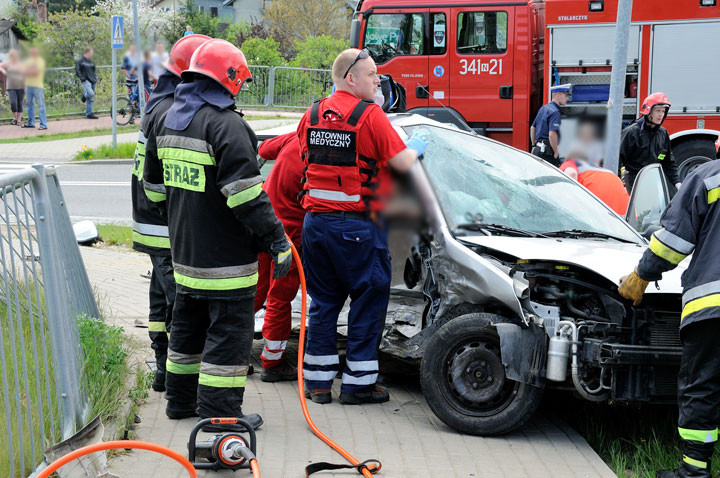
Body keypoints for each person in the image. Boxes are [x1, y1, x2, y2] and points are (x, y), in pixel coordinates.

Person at [143, 39, 290, 431]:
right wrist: (277, 241)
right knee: (227, 337)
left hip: (185, 257)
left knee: (187, 331)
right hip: (227, 263)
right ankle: (220, 413)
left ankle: (179, 402)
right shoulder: (228, 125)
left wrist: (184, 218)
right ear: (229, 78)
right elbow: (247, 198)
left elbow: (154, 189)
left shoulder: (166, 117)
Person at [298, 48, 428, 405]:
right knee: (368, 302)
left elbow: (304, 159)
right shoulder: (369, 115)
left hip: (316, 226)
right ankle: (358, 385)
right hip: (356, 228)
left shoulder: (310, 114)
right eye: (372, 75)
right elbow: (401, 164)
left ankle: (318, 384)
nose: (377, 80)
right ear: (351, 78)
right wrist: (416, 149)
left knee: (323, 303)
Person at [618, 160, 720, 478]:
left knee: (703, 387)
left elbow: (671, 243)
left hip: (712, 308)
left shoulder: (708, 177)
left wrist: (641, 276)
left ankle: (694, 472)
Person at [131, 34, 210, 394]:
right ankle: (182, 382)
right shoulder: (170, 111)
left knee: (161, 301)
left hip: (153, 225)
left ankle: (163, 372)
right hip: (165, 227)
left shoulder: (158, 104)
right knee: (181, 304)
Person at [253, 132, 304, 382]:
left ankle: (232, 351)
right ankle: (272, 363)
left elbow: (263, 151)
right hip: (288, 236)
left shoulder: (295, 137)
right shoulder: (322, 152)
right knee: (279, 297)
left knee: (255, 291)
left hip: (261, 223)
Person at [619, 92, 680, 193]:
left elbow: (669, 162)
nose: (661, 114)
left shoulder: (663, 133)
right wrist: (617, 184)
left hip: (654, 179)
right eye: (657, 111)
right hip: (635, 181)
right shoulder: (632, 132)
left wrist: (677, 183)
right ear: (648, 111)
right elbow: (617, 158)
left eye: (663, 111)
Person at [559, 151, 629, 215]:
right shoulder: (610, 174)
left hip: (596, 218)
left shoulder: (571, 163)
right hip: (624, 221)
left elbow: (571, 173)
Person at [530, 83, 571, 167]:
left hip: (538, 150)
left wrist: (533, 145)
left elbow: (532, 127)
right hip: (548, 152)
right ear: (559, 95)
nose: (567, 98)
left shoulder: (543, 108)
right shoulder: (555, 112)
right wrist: (556, 152)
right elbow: (552, 134)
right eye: (566, 96)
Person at [23, 47, 47, 130]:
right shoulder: (28, 61)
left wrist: (29, 71)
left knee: (40, 105)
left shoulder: (40, 61)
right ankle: (30, 123)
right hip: (28, 85)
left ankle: (43, 124)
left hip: (37, 86)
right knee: (29, 105)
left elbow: (36, 72)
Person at [0, 49, 25, 126]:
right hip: (11, 86)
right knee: (13, 103)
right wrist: (3, 71)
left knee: (20, 103)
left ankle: (19, 119)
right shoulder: (8, 63)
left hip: (21, 85)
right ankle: (15, 117)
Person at [75, 47, 98, 119]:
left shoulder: (91, 62)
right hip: (86, 80)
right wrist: (82, 78)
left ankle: (89, 113)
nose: (92, 54)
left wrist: (95, 78)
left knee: (91, 98)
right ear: (87, 52)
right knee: (90, 93)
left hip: (93, 81)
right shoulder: (80, 60)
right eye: (91, 52)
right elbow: (77, 70)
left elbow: (94, 71)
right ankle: (84, 95)